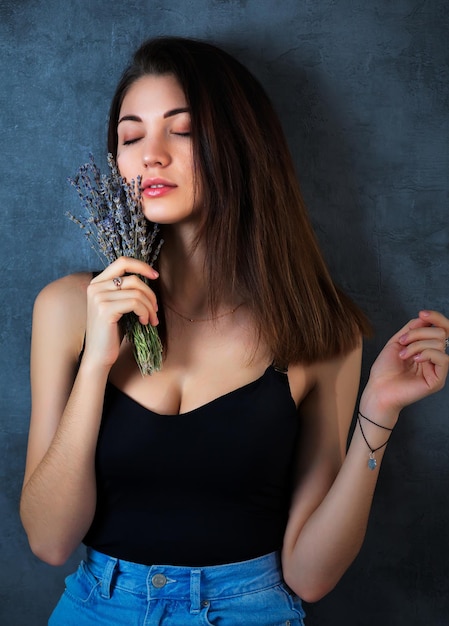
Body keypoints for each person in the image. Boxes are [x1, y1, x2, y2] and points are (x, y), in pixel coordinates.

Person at [20, 36, 449, 626]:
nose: (151, 154)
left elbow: (310, 575)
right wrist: (96, 363)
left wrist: (378, 412)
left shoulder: (320, 330)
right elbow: (48, 541)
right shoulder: (68, 308)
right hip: (96, 606)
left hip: (250, 610)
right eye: (131, 135)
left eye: (183, 129)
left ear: (240, 146)